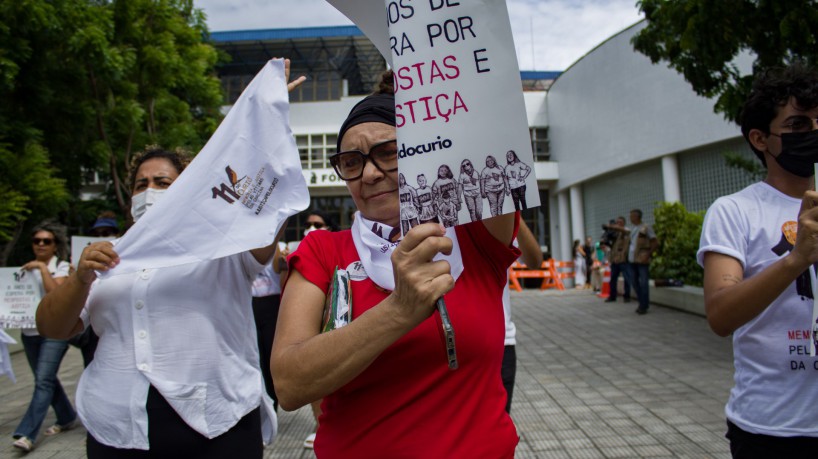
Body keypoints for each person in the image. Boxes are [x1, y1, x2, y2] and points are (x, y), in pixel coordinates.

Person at [272, 70, 519, 457]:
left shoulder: (472, 235)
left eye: (388, 153)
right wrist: (400, 309)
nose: (369, 174)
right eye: (351, 162)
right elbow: (289, 384)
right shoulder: (323, 251)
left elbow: (495, 142)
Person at [35, 145, 286, 458]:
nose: (149, 191)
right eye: (141, 184)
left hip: (219, 425)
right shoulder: (103, 256)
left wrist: (264, 123)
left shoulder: (223, 245)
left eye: (162, 183)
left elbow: (268, 214)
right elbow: (51, 326)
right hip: (118, 429)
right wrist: (81, 278)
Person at [698, 63, 818, 457]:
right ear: (761, 138)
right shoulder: (735, 211)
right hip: (772, 429)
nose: (813, 134)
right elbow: (720, 313)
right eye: (799, 125)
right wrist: (795, 259)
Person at [12, 222, 78, 453]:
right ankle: (67, 416)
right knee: (46, 379)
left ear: (55, 245)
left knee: (43, 380)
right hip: (29, 332)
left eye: (46, 241)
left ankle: (26, 434)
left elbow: (57, 294)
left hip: (54, 332)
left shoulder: (61, 267)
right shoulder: (22, 270)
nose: (40, 244)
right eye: (36, 240)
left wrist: (42, 269)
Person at [502, 220, 542, 413]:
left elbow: (534, 261)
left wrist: (513, 206)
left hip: (500, 341)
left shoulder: (498, 220)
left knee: (495, 429)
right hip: (443, 341)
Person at [72, 212, 121, 368]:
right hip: (94, 334)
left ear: (116, 234)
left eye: (106, 233)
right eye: (96, 234)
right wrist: (77, 279)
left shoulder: (127, 260)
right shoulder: (83, 263)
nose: (100, 238)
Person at [628, 209, 658, 314]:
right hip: (632, 259)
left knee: (644, 282)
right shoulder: (633, 229)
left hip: (642, 259)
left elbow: (654, 242)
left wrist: (648, 254)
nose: (630, 218)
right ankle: (642, 302)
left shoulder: (646, 227)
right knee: (634, 282)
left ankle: (643, 305)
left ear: (637, 216)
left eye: (632, 216)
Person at [603, 216, 632, 303]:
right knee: (612, 279)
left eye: (620, 222)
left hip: (623, 259)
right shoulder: (615, 234)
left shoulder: (626, 231)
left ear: (623, 223)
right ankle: (612, 296)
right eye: (617, 222)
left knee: (627, 278)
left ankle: (627, 296)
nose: (618, 224)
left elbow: (625, 232)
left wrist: (612, 227)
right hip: (615, 259)